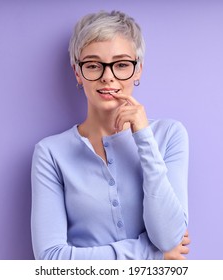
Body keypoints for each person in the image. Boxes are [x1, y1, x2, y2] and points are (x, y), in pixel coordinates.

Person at [31, 10, 190, 260]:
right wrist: (153, 253)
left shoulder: (169, 135)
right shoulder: (50, 153)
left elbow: (168, 237)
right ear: (77, 72)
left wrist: (144, 137)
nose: (108, 77)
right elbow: (50, 259)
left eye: (122, 65)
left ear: (138, 70)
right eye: (93, 65)